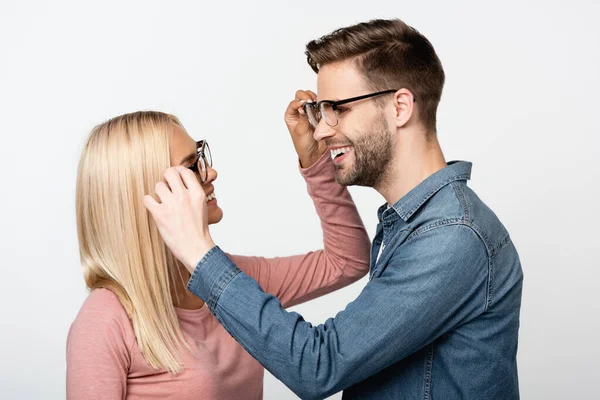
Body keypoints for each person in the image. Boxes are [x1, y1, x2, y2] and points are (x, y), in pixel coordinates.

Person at [146, 19, 524, 399]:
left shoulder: (450, 237)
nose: (323, 129)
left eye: (337, 109)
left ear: (400, 107)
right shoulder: (414, 222)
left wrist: (199, 252)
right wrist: (316, 162)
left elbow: (318, 366)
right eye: (319, 110)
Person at [66, 110, 371, 399]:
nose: (209, 172)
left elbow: (347, 261)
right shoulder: (105, 321)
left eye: (201, 156)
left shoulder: (234, 282)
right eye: (190, 167)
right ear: (145, 194)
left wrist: (316, 162)